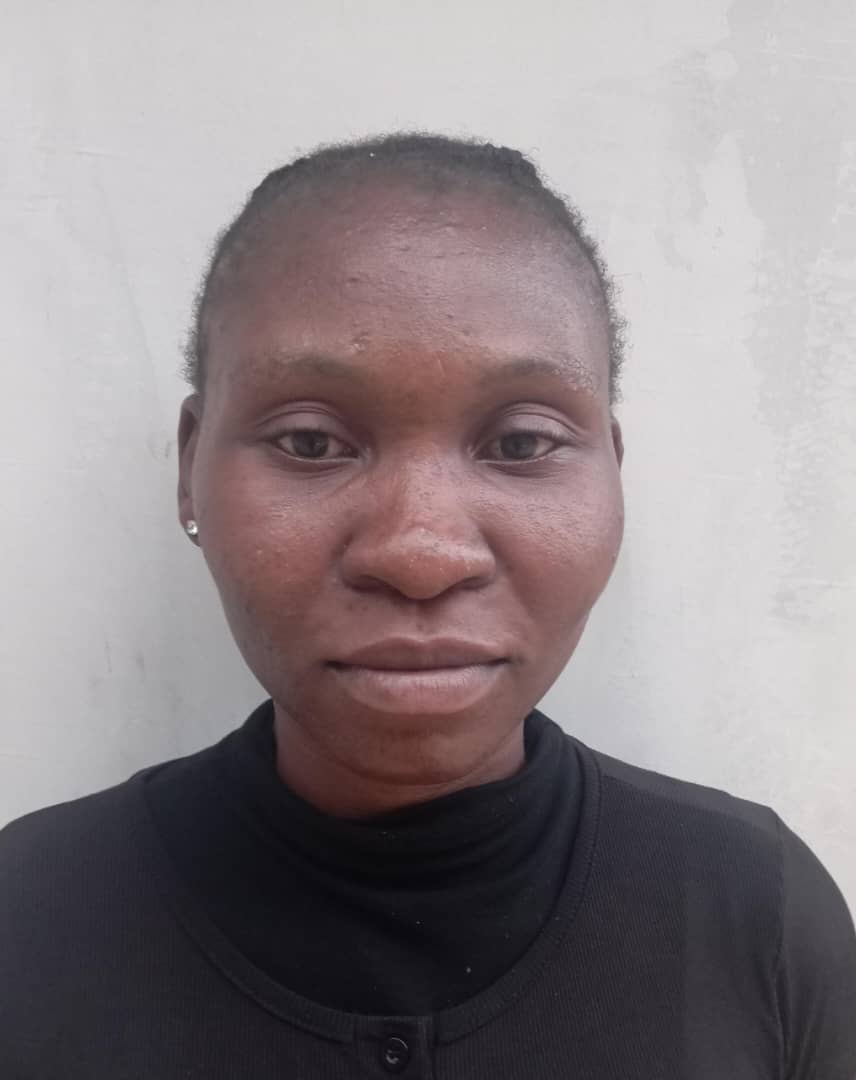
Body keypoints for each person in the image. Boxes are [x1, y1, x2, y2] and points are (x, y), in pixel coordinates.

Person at [1, 133, 854, 1079]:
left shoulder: (756, 914)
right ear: (190, 467)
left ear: (612, 469)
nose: (420, 554)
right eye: (312, 442)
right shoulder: (26, 914)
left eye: (522, 443)